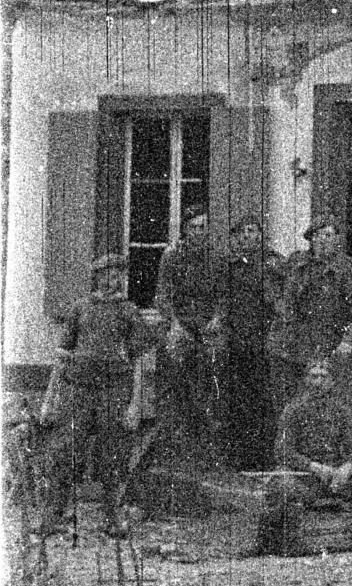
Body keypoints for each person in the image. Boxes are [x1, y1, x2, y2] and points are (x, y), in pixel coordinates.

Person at [44, 254, 159, 536]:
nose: (115, 279)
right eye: (108, 274)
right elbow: (62, 356)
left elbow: (138, 362)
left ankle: (112, 518)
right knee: (67, 452)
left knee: (113, 455)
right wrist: (49, 398)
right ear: (97, 277)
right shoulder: (80, 309)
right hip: (79, 389)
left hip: (114, 390)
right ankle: (54, 516)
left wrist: (134, 404)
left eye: (119, 274)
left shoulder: (128, 311)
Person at [256, 355, 352, 554]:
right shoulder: (293, 410)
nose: (318, 382)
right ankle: (283, 543)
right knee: (283, 487)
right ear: (306, 381)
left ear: (331, 381)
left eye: (323, 377)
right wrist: (312, 466)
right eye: (314, 377)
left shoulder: (342, 411)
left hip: (338, 480)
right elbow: (282, 450)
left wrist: (347, 468)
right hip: (306, 480)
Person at [266, 212, 352, 424]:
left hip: (329, 341)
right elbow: (276, 285)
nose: (324, 241)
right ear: (311, 239)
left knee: (322, 402)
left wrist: (349, 341)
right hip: (293, 341)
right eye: (319, 236)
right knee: (287, 401)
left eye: (329, 236)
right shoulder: (297, 262)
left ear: (337, 240)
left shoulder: (347, 268)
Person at [154, 203, 225, 468]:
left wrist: (217, 317)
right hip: (181, 324)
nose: (199, 232)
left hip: (207, 326)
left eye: (203, 228)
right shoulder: (172, 256)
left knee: (213, 378)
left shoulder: (216, 258)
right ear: (185, 230)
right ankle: (174, 449)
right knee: (174, 379)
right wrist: (174, 324)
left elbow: (223, 295)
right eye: (194, 227)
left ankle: (209, 449)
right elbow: (163, 295)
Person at [216, 214, 280, 470]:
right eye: (242, 232)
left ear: (261, 235)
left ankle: (261, 458)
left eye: (252, 231)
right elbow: (221, 299)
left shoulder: (272, 263)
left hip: (263, 342)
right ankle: (238, 459)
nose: (247, 236)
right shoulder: (228, 265)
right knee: (236, 402)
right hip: (236, 342)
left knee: (262, 401)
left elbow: (278, 300)